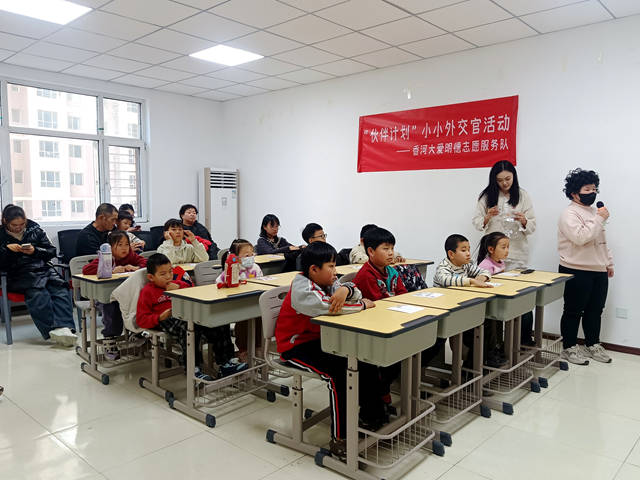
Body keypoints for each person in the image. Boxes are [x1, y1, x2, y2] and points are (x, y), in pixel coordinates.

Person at [275, 242, 383, 458]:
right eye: (331, 266)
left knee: (365, 360)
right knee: (338, 375)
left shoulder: (328, 282)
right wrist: (362, 305)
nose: (335, 271)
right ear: (314, 269)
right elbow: (330, 308)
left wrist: (345, 289)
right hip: (295, 346)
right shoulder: (302, 288)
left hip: (322, 340)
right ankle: (340, 439)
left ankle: (371, 418)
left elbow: (356, 292)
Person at [137, 253, 246, 378]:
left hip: (185, 314)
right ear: (151, 277)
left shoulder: (177, 284)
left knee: (219, 321)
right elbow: (141, 319)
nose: (168, 276)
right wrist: (159, 317)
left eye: (170, 272)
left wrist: (178, 287)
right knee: (189, 327)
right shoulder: (147, 292)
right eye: (163, 274)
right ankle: (193, 368)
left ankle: (226, 363)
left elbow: (190, 288)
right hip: (166, 319)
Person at [472, 160, 537, 344]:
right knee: (496, 299)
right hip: (493, 257)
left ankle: (522, 340)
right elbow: (476, 222)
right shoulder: (487, 196)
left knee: (521, 297)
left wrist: (524, 220)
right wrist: (487, 217)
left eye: (508, 179)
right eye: (500, 180)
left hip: (517, 254)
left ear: (514, 177)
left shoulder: (522, 195)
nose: (504, 183)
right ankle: (496, 343)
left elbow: (532, 226)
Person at [558, 168, 613, 365]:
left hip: (598, 269)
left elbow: (601, 241)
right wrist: (599, 218)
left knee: (595, 310)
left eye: (594, 189)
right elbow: (580, 238)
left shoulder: (593, 212)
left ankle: (592, 344)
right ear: (575, 193)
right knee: (573, 310)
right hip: (575, 268)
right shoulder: (569, 214)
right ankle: (569, 348)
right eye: (587, 189)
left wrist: (608, 262)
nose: (592, 193)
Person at [0, 204, 76, 346]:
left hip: (43, 268)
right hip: (19, 274)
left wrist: (35, 251)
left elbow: (51, 251)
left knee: (61, 288)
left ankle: (66, 328)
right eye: (14, 225)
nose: (19, 228)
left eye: (22, 224)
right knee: (38, 293)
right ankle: (53, 331)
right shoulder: (1, 235)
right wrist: (6, 250)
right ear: (5, 221)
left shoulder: (35, 229)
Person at [353, 226, 406, 412]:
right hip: (372, 328)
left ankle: (383, 386)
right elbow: (379, 304)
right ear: (370, 251)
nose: (391, 253)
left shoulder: (391, 271)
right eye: (385, 248)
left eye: (392, 248)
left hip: (390, 320)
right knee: (399, 352)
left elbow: (403, 294)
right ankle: (381, 388)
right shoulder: (366, 275)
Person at [82, 231, 147, 360]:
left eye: (127, 244)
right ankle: (110, 338)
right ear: (111, 247)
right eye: (120, 245)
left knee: (139, 301)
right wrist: (111, 270)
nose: (124, 248)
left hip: (126, 295)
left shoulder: (131, 255)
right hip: (105, 297)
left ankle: (135, 332)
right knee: (111, 307)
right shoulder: (106, 257)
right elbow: (86, 270)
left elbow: (145, 263)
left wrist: (136, 267)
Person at [432, 234, 493, 368]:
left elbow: (485, 271)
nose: (468, 253)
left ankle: (475, 365)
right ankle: (471, 368)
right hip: (444, 311)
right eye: (464, 250)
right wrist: (471, 280)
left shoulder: (466, 265)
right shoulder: (443, 267)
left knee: (485, 326)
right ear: (451, 254)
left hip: (461, 308)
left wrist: (481, 278)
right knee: (474, 332)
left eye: (469, 249)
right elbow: (446, 280)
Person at [216, 239, 263, 362]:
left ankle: (258, 348)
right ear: (235, 257)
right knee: (243, 322)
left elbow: (261, 281)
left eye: (252, 254)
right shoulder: (232, 268)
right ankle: (243, 351)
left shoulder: (255, 267)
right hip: (237, 305)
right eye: (247, 255)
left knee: (259, 319)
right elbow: (219, 282)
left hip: (253, 302)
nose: (250, 257)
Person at [477, 232, 510, 367]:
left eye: (508, 247)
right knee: (492, 328)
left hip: (497, 301)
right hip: (488, 304)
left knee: (499, 325)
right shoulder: (485, 265)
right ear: (491, 249)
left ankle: (498, 349)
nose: (507, 250)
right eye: (503, 247)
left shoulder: (501, 262)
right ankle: (491, 353)